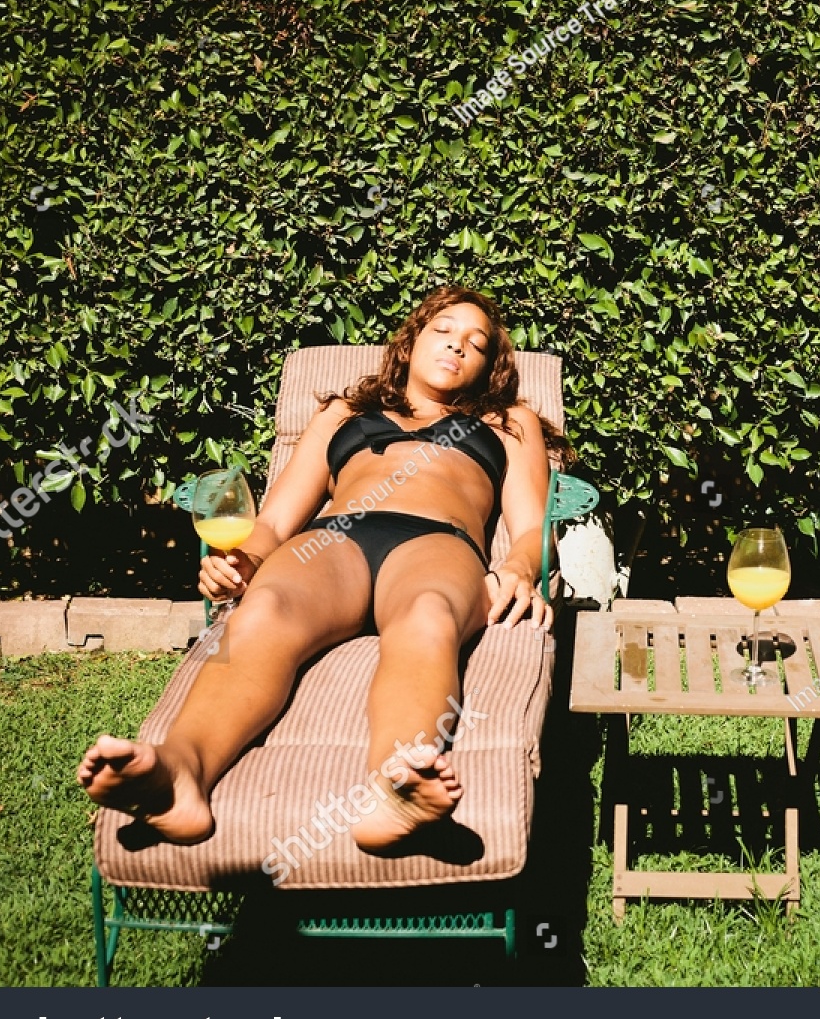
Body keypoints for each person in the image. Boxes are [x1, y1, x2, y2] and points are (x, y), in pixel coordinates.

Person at [77, 286, 567, 855]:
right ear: (409, 344)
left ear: (489, 365)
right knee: (264, 609)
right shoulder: (343, 414)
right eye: (444, 331)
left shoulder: (508, 421)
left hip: (437, 543)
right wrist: (240, 560)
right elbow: (277, 518)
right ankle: (178, 776)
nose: (458, 345)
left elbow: (532, 528)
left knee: (428, 618)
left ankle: (395, 788)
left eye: (476, 343)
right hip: (330, 544)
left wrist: (516, 567)